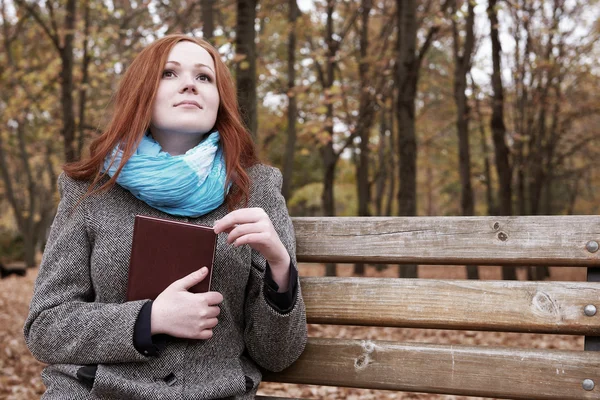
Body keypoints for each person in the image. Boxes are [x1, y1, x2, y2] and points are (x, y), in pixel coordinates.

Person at [23, 34, 307, 399]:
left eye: (205, 77)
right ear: (141, 92)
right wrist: (148, 319)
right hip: (96, 392)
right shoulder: (90, 190)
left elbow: (279, 355)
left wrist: (279, 267)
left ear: (220, 101)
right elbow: (45, 328)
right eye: (169, 73)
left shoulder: (257, 188)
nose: (190, 83)